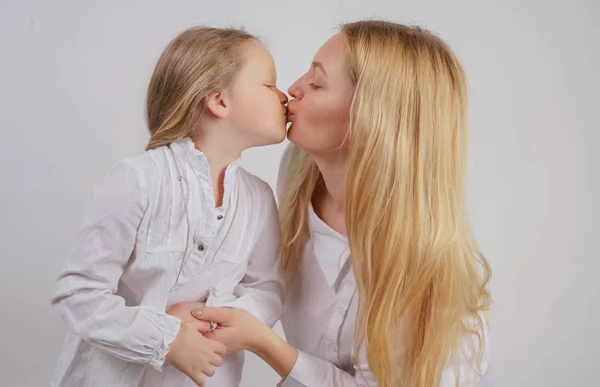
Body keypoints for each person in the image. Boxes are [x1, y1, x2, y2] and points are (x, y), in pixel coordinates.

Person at [185, 20, 492, 386]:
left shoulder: (431, 276)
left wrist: (265, 343)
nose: (291, 90)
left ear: (369, 118)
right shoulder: (297, 179)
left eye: (316, 83)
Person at [51, 26, 287, 387]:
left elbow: (268, 292)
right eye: (269, 85)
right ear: (219, 101)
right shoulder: (138, 179)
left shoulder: (259, 198)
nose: (284, 96)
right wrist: (166, 337)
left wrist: (206, 321)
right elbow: (79, 294)